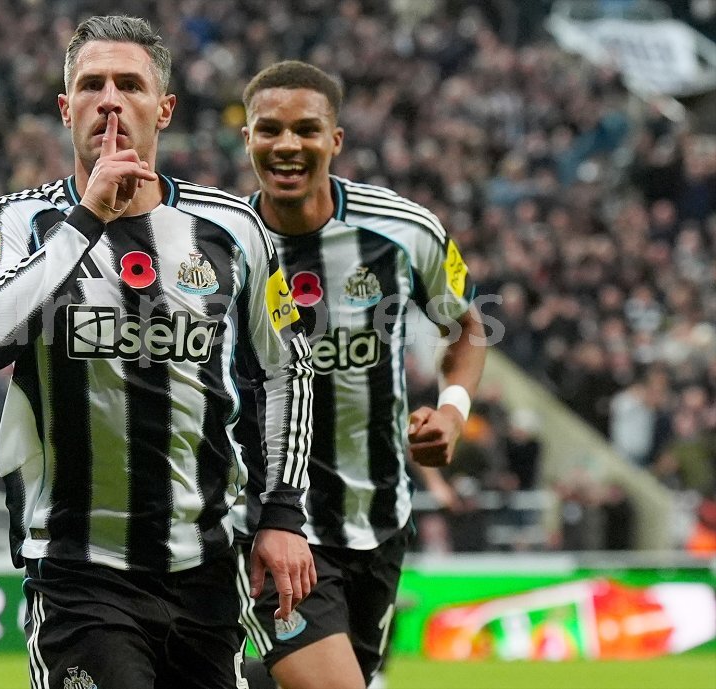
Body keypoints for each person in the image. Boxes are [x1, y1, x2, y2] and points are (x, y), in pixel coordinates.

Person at [0, 17, 316, 689]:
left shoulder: (235, 229)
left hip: (206, 570)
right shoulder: (21, 221)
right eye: (92, 85)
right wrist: (86, 218)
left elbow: (287, 368)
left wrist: (282, 512)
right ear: (66, 110)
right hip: (76, 571)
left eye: (130, 84)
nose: (111, 100)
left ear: (165, 108)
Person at [233, 61, 488, 689]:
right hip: (273, 524)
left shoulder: (405, 231)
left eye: (305, 130)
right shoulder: (222, 243)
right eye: (269, 130)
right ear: (248, 140)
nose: (287, 145)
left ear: (335, 140)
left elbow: (468, 327)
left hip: (379, 521)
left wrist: (453, 408)